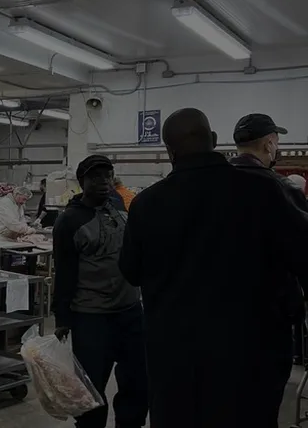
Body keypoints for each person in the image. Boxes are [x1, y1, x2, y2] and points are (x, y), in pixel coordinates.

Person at [119, 108, 308, 428]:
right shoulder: (263, 191)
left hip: (175, 359)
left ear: (169, 151)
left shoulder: (146, 204)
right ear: (215, 141)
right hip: (250, 356)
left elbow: (131, 272)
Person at [51, 154, 148, 428]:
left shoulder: (119, 205)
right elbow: (64, 272)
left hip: (130, 311)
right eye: (95, 177)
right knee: (90, 390)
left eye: (108, 175)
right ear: (82, 181)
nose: (104, 181)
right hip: (92, 317)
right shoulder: (69, 221)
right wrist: (62, 318)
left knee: (138, 381)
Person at [229, 114, 308, 366]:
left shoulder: (211, 185)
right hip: (267, 317)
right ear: (268, 144)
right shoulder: (282, 189)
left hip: (218, 313)